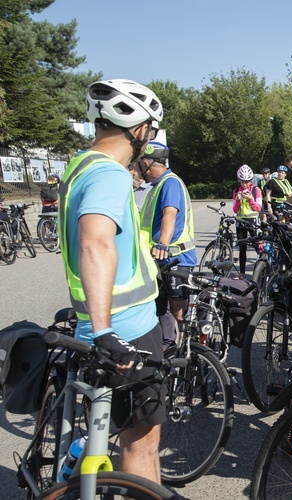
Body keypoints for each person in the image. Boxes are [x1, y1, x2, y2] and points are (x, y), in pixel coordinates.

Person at [59, 78, 164, 483]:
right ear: (139, 130)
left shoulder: (80, 163)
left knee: (120, 433)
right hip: (126, 330)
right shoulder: (111, 173)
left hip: (99, 323)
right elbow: (95, 243)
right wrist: (105, 330)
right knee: (140, 443)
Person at [138, 141, 197, 348]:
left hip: (175, 257)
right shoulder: (158, 185)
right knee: (162, 305)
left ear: (147, 163)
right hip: (162, 257)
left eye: (140, 164)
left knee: (178, 309)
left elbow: (169, 215)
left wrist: (162, 244)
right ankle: (168, 344)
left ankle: (191, 348)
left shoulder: (170, 183)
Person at [232, 164, 262, 274]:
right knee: (242, 248)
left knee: (257, 246)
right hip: (240, 220)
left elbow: (258, 208)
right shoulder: (236, 191)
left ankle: (262, 269)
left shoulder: (256, 190)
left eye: (247, 181)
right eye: (242, 181)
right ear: (239, 180)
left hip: (252, 220)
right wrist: (239, 200)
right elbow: (235, 210)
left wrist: (250, 199)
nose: (245, 184)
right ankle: (242, 273)